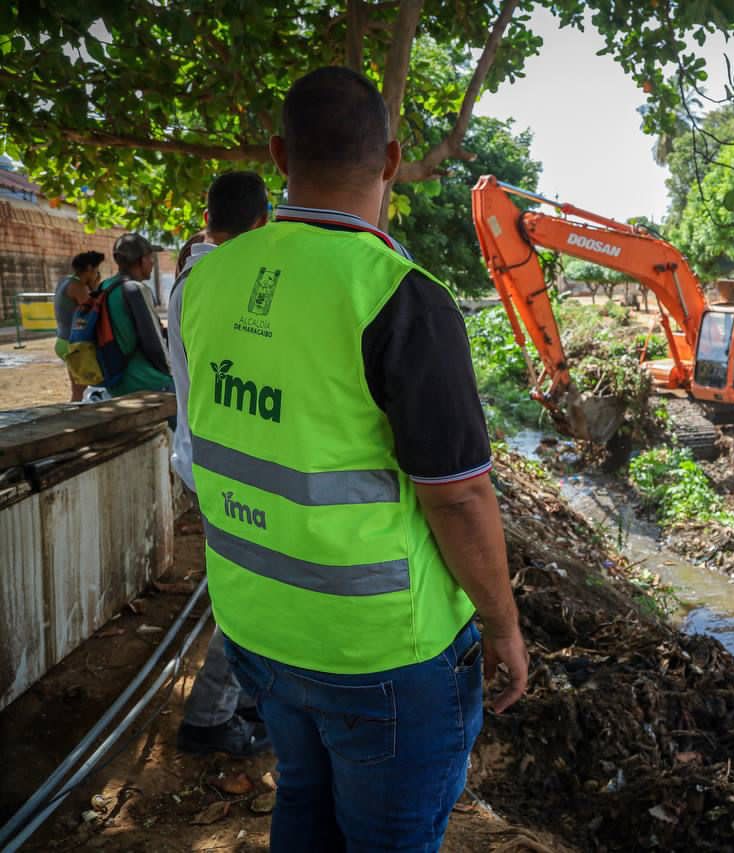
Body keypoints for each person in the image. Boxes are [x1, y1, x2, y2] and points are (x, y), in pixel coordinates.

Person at [180, 67, 526, 851]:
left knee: (302, 798)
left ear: (278, 155)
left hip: (255, 625)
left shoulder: (205, 282)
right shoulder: (403, 298)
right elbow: (461, 497)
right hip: (380, 656)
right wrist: (503, 625)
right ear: (394, 160)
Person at [171, 173, 272, 758]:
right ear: (262, 223)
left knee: (246, 586)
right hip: (225, 465)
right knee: (249, 594)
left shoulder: (193, 274)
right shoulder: (223, 279)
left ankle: (246, 696)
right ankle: (208, 716)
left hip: (205, 459)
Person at [101, 233, 173, 394]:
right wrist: (170, 372)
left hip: (116, 381)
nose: (153, 263)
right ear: (141, 260)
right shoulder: (135, 289)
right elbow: (153, 341)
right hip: (146, 380)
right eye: (150, 257)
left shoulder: (105, 286)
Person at [53, 251, 104, 401]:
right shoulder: (78, 286)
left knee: (78, 390)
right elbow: (93, 312)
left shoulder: (65, 280)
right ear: (89, 268)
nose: (97, 275)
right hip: (74, 345)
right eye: (96, 271)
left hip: (62, 341)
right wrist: (94, 287)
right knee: (79, 392)